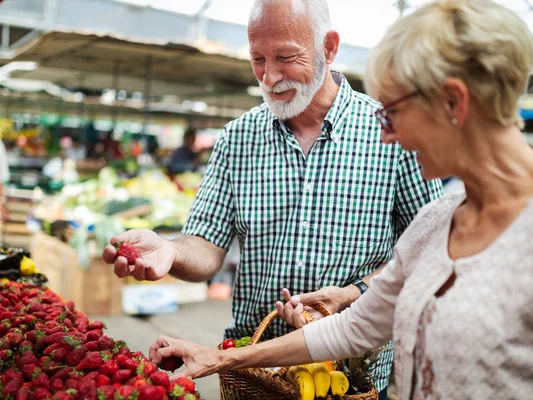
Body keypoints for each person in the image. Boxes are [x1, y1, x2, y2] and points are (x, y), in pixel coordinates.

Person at [147, 1, 533, 399]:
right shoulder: (441, 220)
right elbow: (353, 327)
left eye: (393, 111)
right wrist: (218, 359)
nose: (386, 133)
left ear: (452, 103)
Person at [103, 0, 443, 396]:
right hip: (251, 372)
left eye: (285, 57)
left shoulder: (390, 134)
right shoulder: (238, 139)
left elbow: (429, 251)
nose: (270, 76)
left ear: (329, 48)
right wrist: (170, 251)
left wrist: (354, 294)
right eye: (257, 59)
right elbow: (207, 245)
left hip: (351, 378)